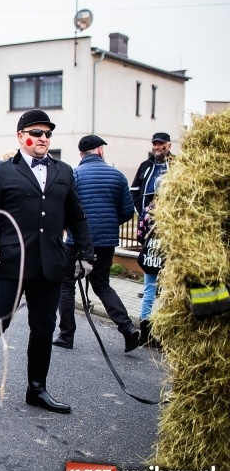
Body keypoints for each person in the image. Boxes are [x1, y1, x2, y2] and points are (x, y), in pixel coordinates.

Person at [0, 109, 94, 414]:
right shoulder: (2, 170)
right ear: (21, 137)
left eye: (48, 134)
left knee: (44, 328)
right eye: (37, 132)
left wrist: (87, 253)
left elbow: (76, 215)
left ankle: (37, 389)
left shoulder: (64, 171)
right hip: (11, 264)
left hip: (50, 265)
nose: (43, 138)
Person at [53, 135, 140, 352]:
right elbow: (128, 211)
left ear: (81, 153)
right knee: (102, 285)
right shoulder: (118, 176)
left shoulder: (74, 175)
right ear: (100, 150)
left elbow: (64, 209)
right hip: (106, 242)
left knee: (66, 284)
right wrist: (109, 224)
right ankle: (127, 328)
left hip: (76, 241)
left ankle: (66, 335)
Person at [136, 181, 163, 349]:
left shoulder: (148, 209)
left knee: (149, 291)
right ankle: (161, 332)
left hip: (150, 257)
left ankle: (145, 333)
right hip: (166, 259)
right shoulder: (173, 211)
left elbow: (140, 233)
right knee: (166, 295)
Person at [130, 132, 173, 216]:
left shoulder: (177, 164)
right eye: (154, 144)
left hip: (168, 220)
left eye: (160, 144)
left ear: (169, 146)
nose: (156, 147)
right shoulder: (145, 165)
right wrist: (140, 212)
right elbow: (134, 191)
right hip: (146, 219)